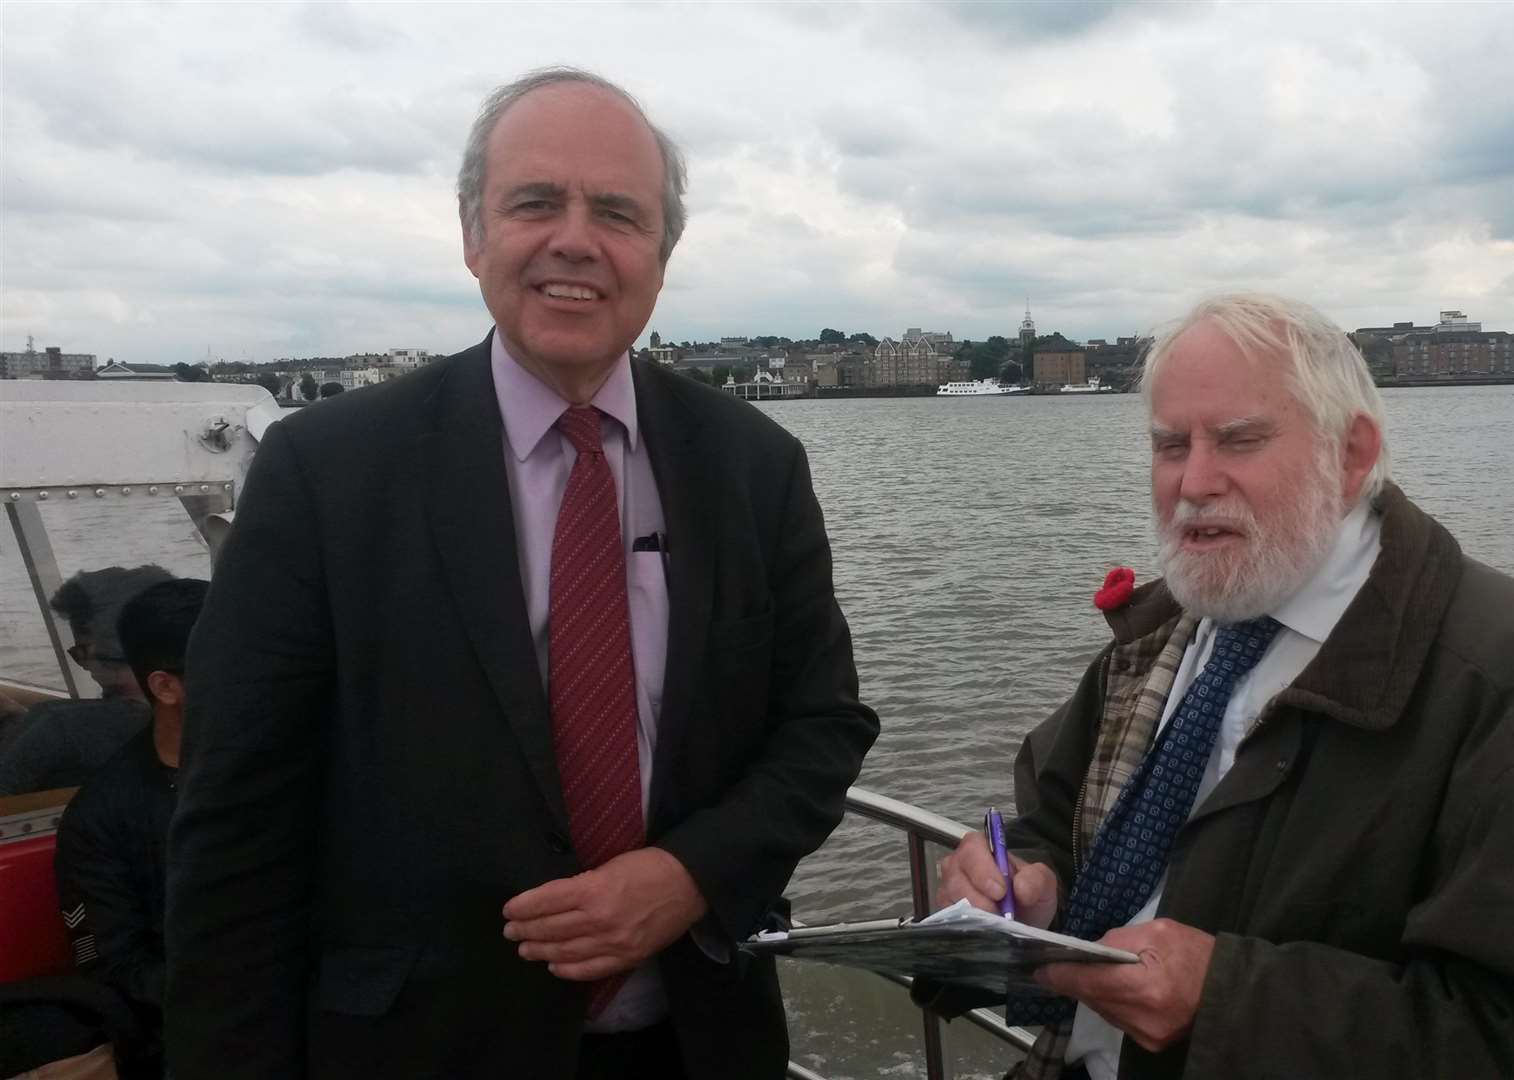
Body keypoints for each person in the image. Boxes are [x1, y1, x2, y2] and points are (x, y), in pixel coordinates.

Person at [166, 67, 879, 1080]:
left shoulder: (754, 466)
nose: (575, 240)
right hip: (416, 1049)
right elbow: (236, 827)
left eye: (619, 213)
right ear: (473, 234)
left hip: (699, 1043)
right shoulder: (326, 473)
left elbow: (823, 726)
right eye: (536, 202)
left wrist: (688, 873)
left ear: (661, 257)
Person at [932, 294, 1514, 1079]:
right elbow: (1053, 820)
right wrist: (1022, 891)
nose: (1193, 482)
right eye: (1168, 445)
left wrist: (1226, 1000)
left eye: (1239, 440)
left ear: (1351, 455)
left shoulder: (1495, 670)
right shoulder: (1168, 628)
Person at [54, 577, 208, 1079]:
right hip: (195, 1035)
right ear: (166, 686)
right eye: (235, 668)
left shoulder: (295, 771)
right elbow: (116, 969)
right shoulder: (100, 817)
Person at [0, 565, 171, 796]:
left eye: (79, 651)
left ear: (106, 650)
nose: (84, 665)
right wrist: (16, 719)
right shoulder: (203, 720)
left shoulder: (57, 725)